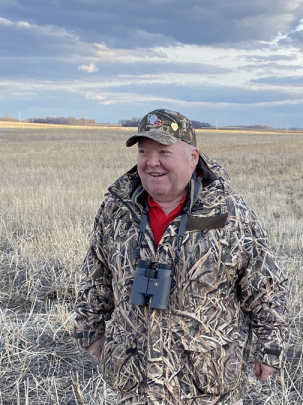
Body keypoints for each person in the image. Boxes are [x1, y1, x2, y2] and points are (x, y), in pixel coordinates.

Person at [74, 109, 288, 405]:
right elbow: (95, 272)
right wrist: (89, 328)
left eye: (164, 151)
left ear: (193, 157)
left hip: (207, 383)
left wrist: (270, 347)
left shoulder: (228, 213)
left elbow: (265, 286)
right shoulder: (116, 209)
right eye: (144, 152)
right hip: (133, 381)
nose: (152, 162)